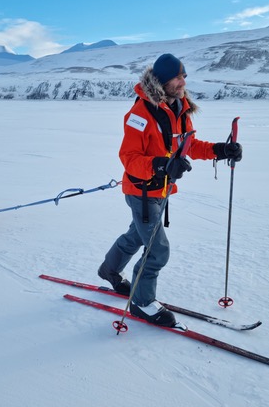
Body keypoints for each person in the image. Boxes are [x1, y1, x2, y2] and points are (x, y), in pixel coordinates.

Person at [98, 53, 243, 327]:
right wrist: (162, 165)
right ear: (162, 81)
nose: (182, 82)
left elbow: (189, 145)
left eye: (184, 76)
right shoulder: (139, 114)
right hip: (141, 191)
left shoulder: (180, 109)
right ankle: (142, 303)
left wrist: (220, 150)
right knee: (157, 249)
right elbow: (129, 158)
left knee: (137, 236)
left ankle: (109, 270)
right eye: (177, 77)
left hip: (162, 190)